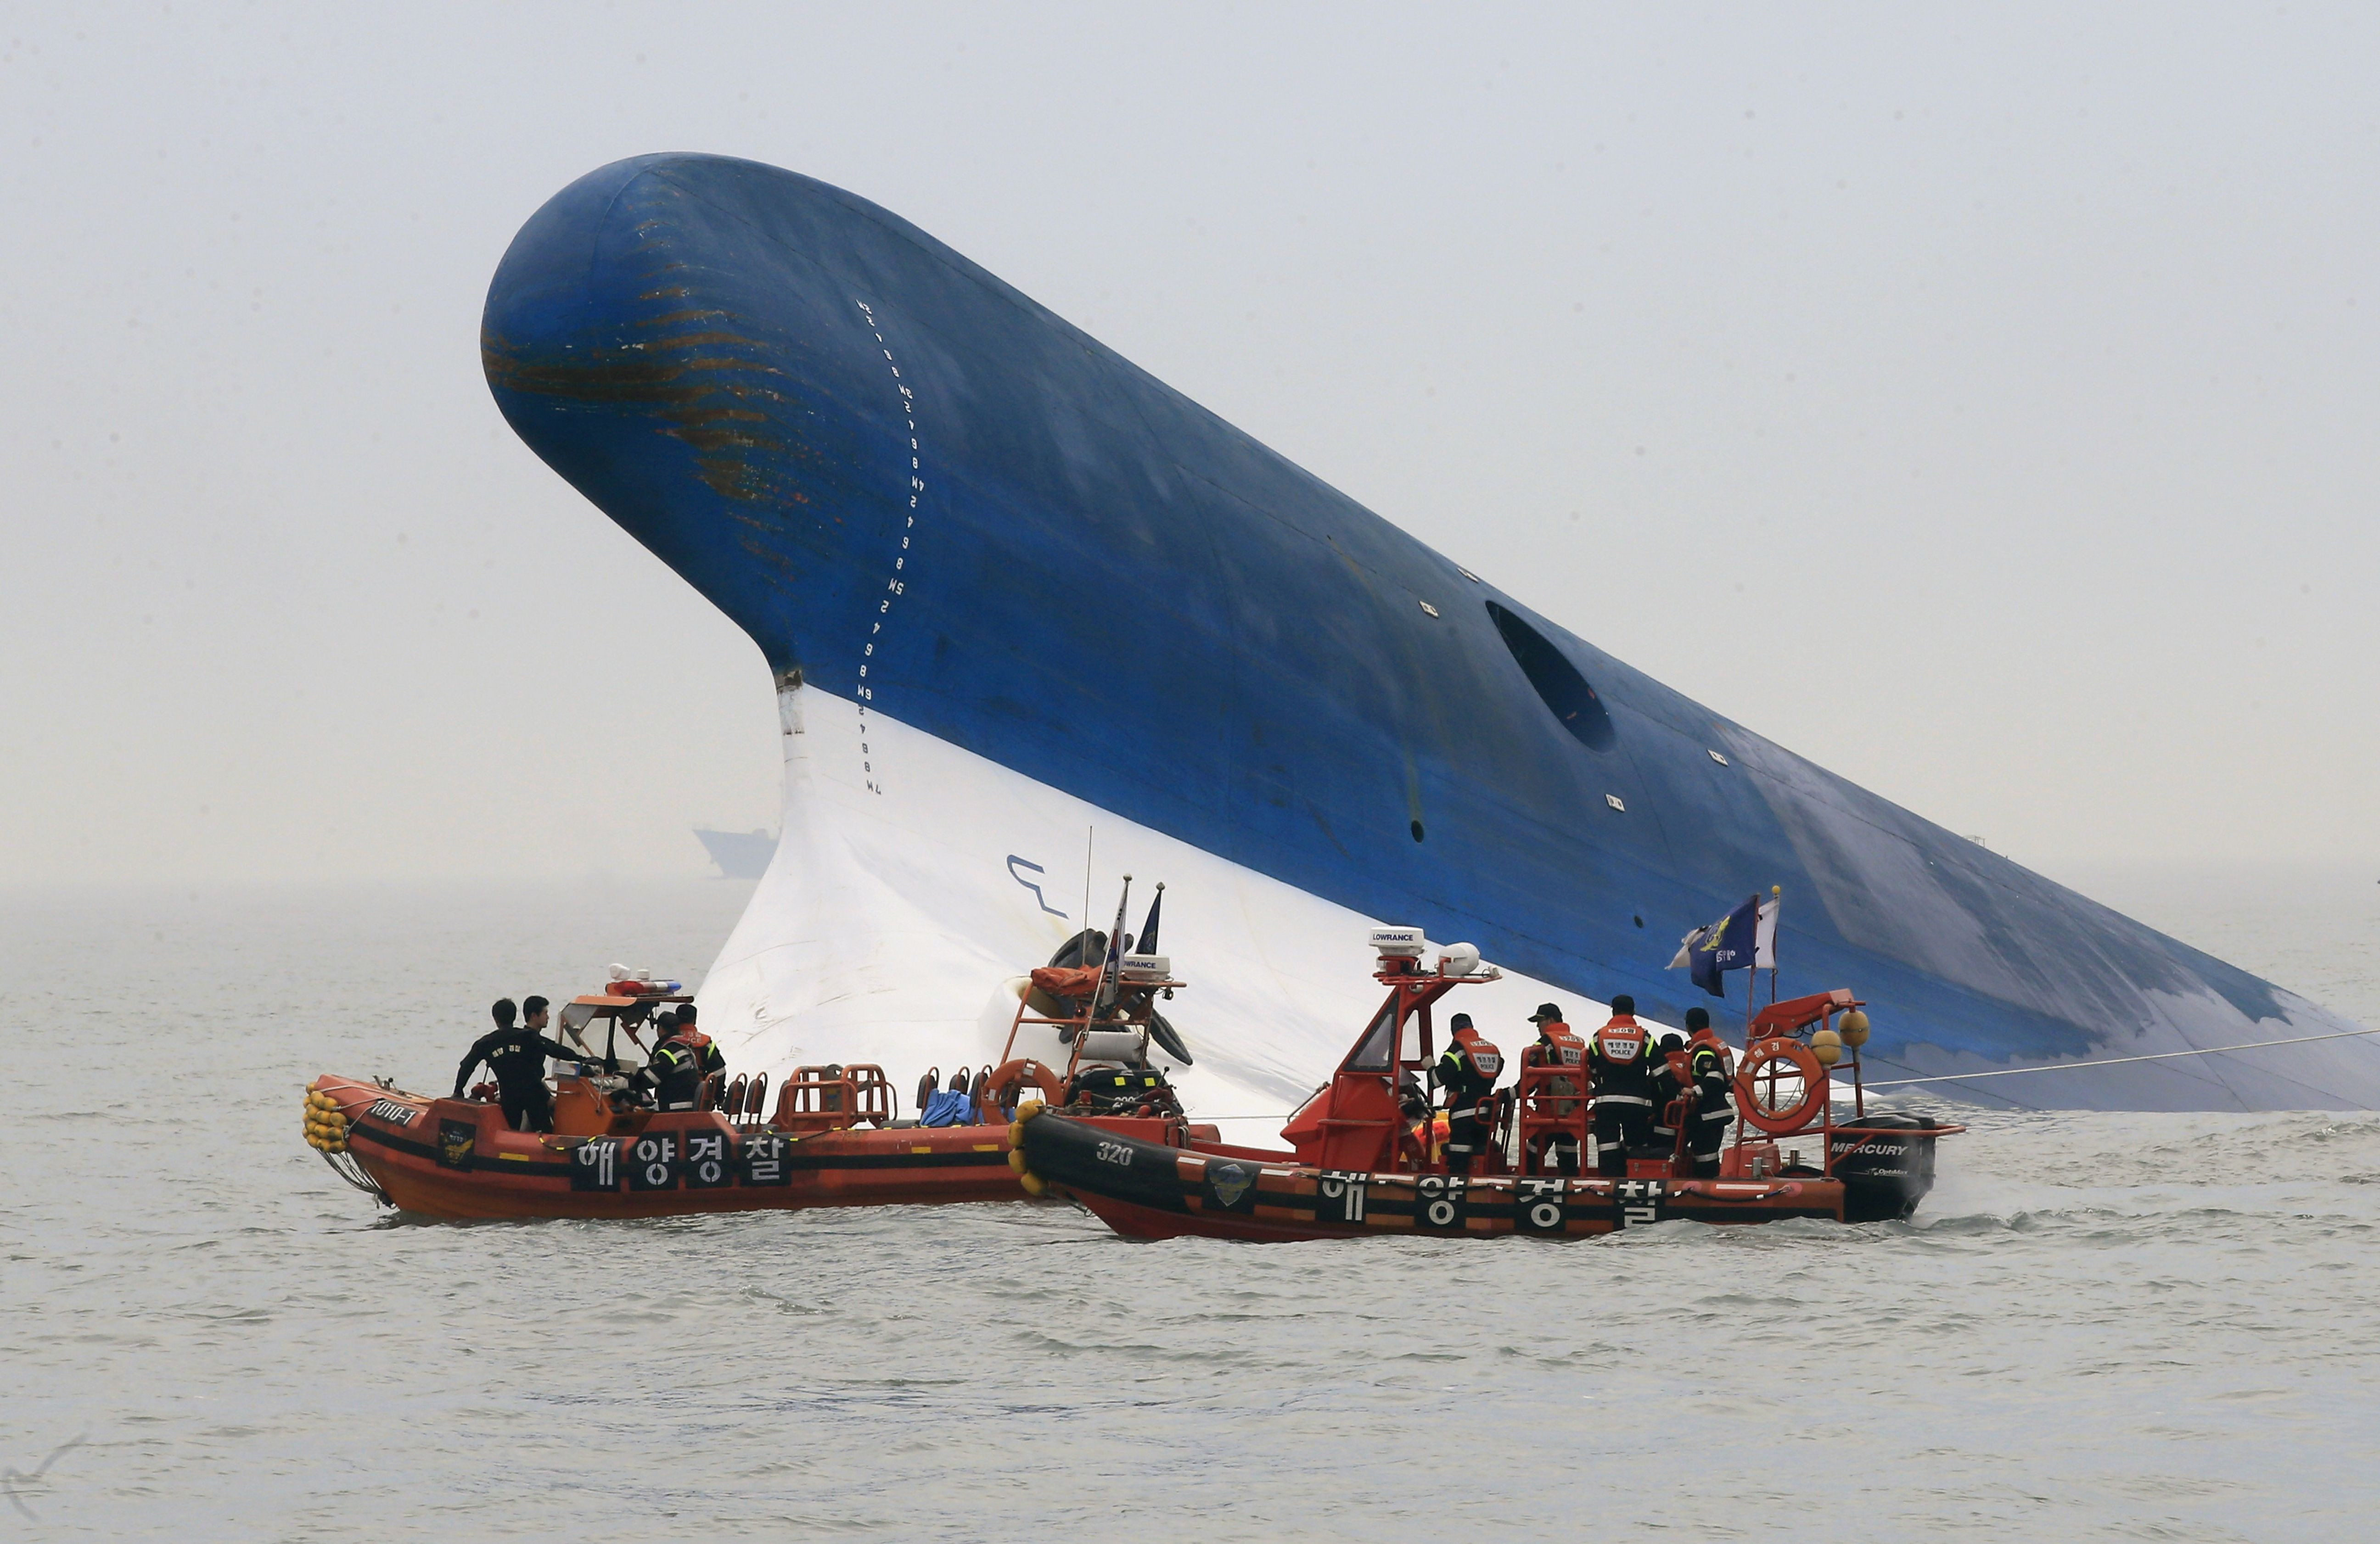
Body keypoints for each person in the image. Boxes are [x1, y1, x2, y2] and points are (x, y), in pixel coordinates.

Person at [454, 997, 580, 1132]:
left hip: (509, 1097)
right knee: (545, 1132)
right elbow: (553, 1049)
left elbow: (467, 1066)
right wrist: (581, 1059)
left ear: (496, 1019)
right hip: (534, 1095)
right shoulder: (527, 1036)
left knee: (510, 1131)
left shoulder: (485, 1043)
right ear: (514, 1016)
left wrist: (458, 1090)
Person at [1585, 994, 1654, 1176]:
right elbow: (1661, 1071)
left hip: (1606, 1103)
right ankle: (1637, 1186)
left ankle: (1608, 1187)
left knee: (1608, 1146)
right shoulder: (1645, 1038)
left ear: (1613, 1011)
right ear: (1634, 1012)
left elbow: (1590, 1067)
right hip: (1637, 1104)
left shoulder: (1598, 1037)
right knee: (1636, 1148)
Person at [1519, 1002, 1587, 1176]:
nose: (1537, 1026)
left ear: (1550, 1020)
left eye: (1539, 1022)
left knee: (1530, 1157)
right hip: (1573, 1111)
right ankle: (1572, 1195)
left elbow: (1531, 1076)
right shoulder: (1579, 1042)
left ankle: (1527, 1191)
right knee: (1569, 1158)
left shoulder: (1545, 1042)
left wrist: (1510, 1094)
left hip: (1547, 1112)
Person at [1434, 1013, 1503, 1175]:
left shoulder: (1456, 1050)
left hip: (1463, 1115)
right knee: (1478, 1154)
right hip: (1486, 1115)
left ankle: (1457, 1193)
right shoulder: (1491, 1049)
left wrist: (1430, 1066)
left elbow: (1436, 1080)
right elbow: (1499, 1067)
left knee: (1458, 1164)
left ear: (1454, 1030)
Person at [1683, 1007, 1735, 1179]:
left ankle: (1705, 1188)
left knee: (1705, 1155)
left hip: (1708, 1112)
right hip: (1716, 1110)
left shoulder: (1702, 1050)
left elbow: (1714, 1077)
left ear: (1689, 1026)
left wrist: (1694, 1091)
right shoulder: (1716, 1043)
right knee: (1707, 1154)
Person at [1647, 1032, 1692, 1169]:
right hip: (1689, 1127)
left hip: (1663, 1129)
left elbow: (1651, 1096)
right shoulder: (1691, 1067)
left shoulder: (1663, 1071)